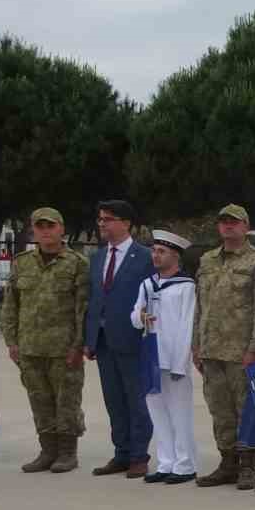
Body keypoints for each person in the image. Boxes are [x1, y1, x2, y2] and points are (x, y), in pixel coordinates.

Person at [3, 208, 89, 473]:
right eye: (40, 226)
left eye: (50, 226)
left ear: (61, 229)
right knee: (39, 401)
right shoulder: (22, 262)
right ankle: (47, 450)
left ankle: (67, 452)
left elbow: (82, 309)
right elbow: (10, 304)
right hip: (30, 347)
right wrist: (12, 341)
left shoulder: (76, 263)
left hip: (63, 349)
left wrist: (78, 345)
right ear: (33, 230)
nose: (45, 231)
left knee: (67, 402)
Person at [192, 204, 255, 489]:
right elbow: (200, 306)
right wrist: (196, 344)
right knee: (219, 410)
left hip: (241, 352)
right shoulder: (207, 260)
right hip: (211, 349)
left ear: (246, 226)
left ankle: (248, 465)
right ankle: (227, 462)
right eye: (223, 222)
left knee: (247, 409)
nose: (228, 226)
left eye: (234, 222)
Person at [85, 199, 155, 477]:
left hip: (133, 339)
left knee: (136, 400)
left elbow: (153, 299)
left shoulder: (145, 257)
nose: (102, 223)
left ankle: (139, 455)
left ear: (126, 223)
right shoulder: (98, 257)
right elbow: (93, 299)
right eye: (100, 219)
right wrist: (89, 338)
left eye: (108, 219)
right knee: (113, 400)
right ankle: (121, 453)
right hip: (103, 340)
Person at [131, 230, 198, 484]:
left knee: (179, 413)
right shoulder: (147, 284)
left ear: (176, 256)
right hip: (151, 354)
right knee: (157, 411)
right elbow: (135, 315)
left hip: (173, 358)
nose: (155, 256)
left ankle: (184, 464)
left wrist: (181, 362)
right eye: (154, 251)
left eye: (162, 252)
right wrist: (140, 318)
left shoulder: (186, 286)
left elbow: (187, 325)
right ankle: (165, 462)